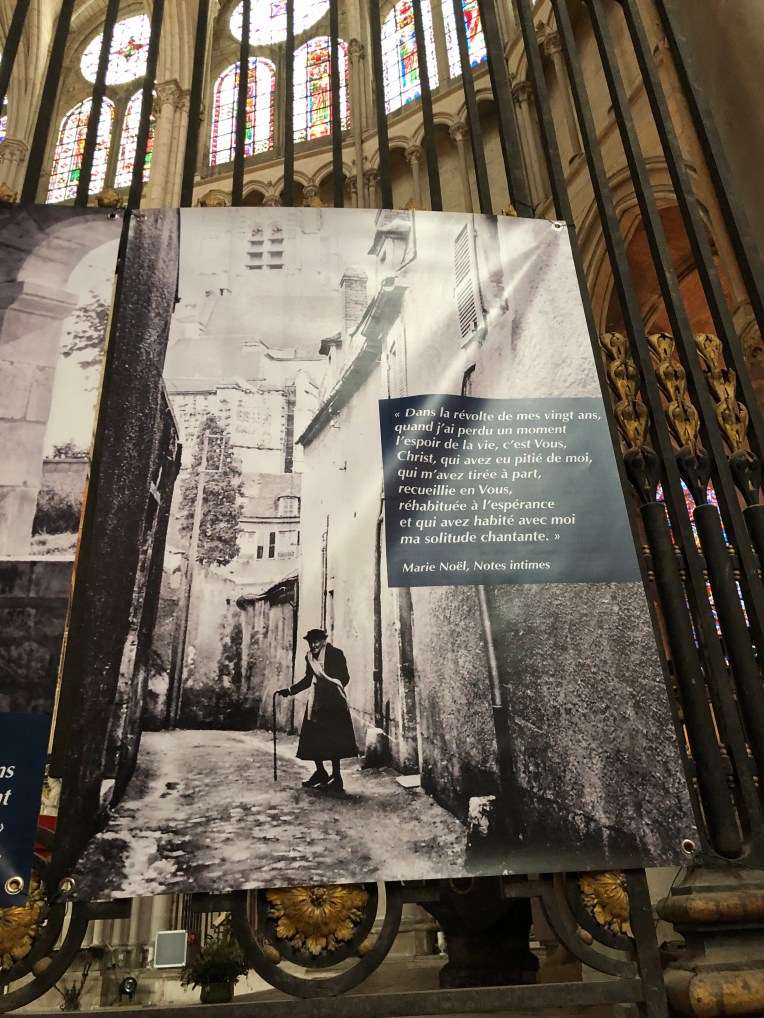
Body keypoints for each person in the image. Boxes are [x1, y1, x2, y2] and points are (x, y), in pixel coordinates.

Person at [277, 629, 358, 792]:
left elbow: (345, 677)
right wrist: (290, 690)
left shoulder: (335, 654)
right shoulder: (310, 657)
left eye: (316, 641)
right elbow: (308, 679)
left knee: (334, 739)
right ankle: (320, 772)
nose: (313, 645)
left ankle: (337, 777)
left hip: (333, 703)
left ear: (323, 641)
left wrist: (331, 687)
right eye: (310, 642)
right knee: (312, 737)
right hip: (316, 702)